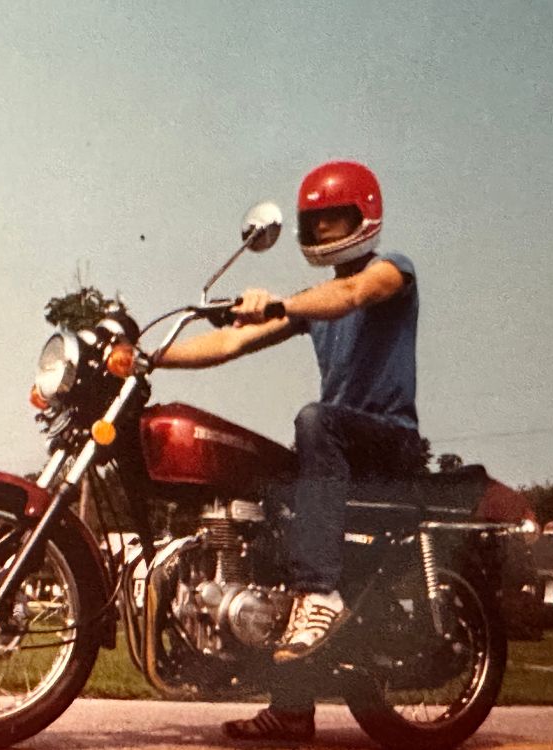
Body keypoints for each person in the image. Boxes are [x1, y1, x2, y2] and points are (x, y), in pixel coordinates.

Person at [155, 160, 422, 742]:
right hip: (338, 448)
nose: (324, 231)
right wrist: (148, 357)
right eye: (316, 222)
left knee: (314, 419)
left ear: (365, 214)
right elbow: (229, 340)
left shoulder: (391, 271)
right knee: (270, 523)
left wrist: (280, 304)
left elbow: (352, 293)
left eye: (335, 219)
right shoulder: (311, 301)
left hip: (388, 442)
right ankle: (293, 709)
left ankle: (322, 596)